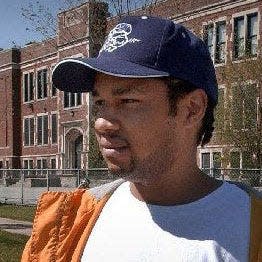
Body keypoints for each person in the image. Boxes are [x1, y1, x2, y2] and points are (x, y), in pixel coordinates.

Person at [22, 16, 261, 262]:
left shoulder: (251, 228)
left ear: (192, 109)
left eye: (128, 101)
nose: (101, 123)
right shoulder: (66, 228)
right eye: (100, 103)